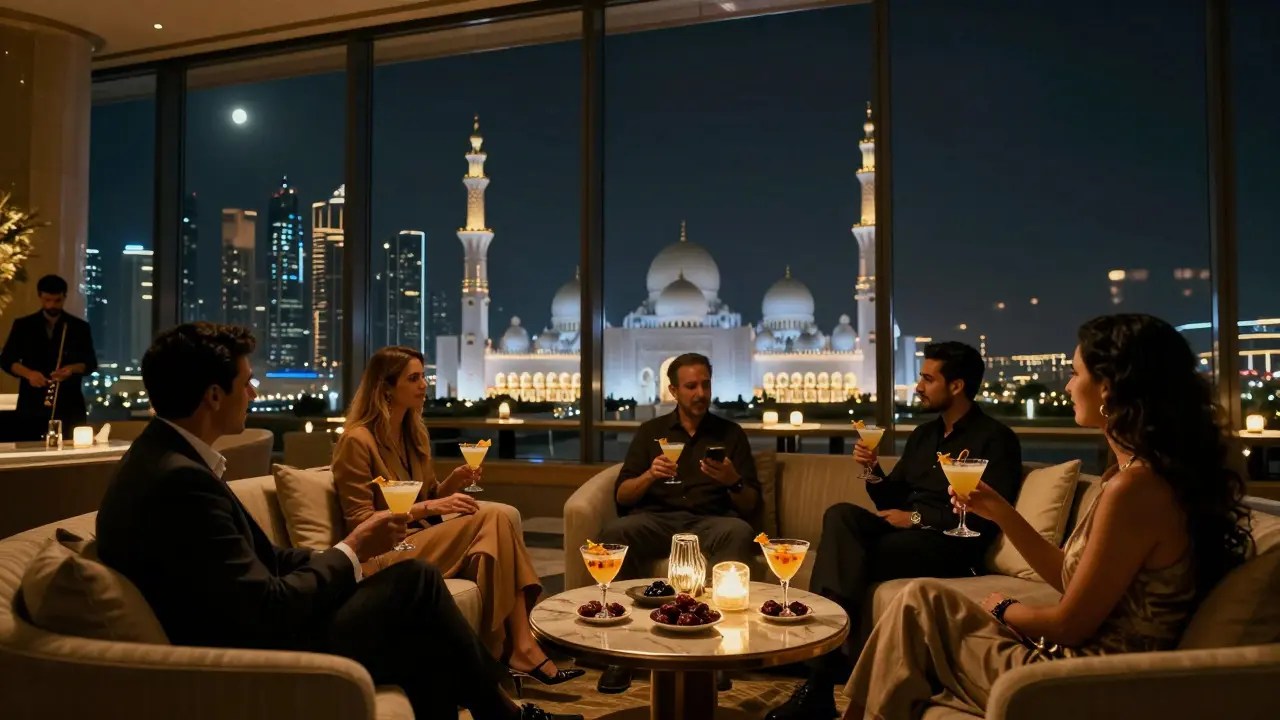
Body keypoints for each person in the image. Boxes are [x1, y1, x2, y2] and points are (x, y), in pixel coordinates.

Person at [95, 323, 578, 720]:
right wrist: (351, 552)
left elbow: (264, 561)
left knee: (424, 632)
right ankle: (508, 711)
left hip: (256, 624)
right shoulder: (179, 481)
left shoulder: (169, 462)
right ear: (214, 396)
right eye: (247, 383)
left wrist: (341, 558)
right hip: (253, 654)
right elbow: (266, 607)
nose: (255, 391)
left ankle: (505, 704)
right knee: (417, 583)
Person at [843, 314, 1252, 719]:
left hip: (1084, 678)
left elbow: (1067, 626)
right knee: (919, 597)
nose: (1069, 385)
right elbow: (1067, 577)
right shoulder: (1131, 477)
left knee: (918, 605)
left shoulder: (1136, 489)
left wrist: (1003, 608)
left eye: (1075, 374)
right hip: (1078, 660)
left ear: (1108, 388)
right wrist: (1000, 510)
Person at [768, 341, 1022, 720]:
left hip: (951, 543)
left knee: (852, 557)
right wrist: (871, 469)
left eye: (927, 378)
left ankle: (818, 681)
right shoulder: (924, 436)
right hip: (906, 536)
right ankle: (824, 674)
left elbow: (986, 518)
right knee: (841, 516)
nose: (918, 386)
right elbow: (890, 497)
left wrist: (916, 519)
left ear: (957, 386)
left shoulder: (995, 439)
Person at [332, 345, 583, 692]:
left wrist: (452, 484)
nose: (424, 385)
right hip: (384, 552)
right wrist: (434, 507)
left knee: (494, 528)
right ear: (386, 387)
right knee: (493, 517)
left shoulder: (413, 434)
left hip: (421, 539)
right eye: (414, 378)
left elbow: (428, 495)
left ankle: (512, 651)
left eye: (424, 377)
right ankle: (520, 649)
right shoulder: (356, 441)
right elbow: (359, 521)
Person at [594, 352, 761, 694]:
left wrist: (732, 480)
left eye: (706, 384)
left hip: (710, 522)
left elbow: (752, 504)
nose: (700, 393)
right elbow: (623, 496)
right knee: (613, 534)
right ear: (673, 390)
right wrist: (650, 476)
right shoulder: (651, 432)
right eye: (691, 386)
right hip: (657, 519)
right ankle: (622, 654)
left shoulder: (730, 434)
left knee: (740, 532)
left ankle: (713, 652)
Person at [0, 274, 97, 434]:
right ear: (40, 297)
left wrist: (71, 369)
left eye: (57, 301)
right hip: (31, 404)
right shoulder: (24, 325)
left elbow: (90, 363)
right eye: (47, 300)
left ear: (64, 297)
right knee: (29, 451)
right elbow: (6, 360)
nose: (51, 305)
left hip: (68, 403)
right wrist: (29, 374)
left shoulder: (79, 327)